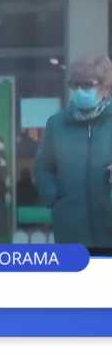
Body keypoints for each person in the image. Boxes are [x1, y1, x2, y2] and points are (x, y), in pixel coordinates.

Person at [35, 54, 112, 247]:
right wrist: (55, 200)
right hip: (69, 226)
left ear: (106, 87)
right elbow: (44, 168)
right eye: (74, 85)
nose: (79, 91)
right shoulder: (56, 124)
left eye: (87, 85)